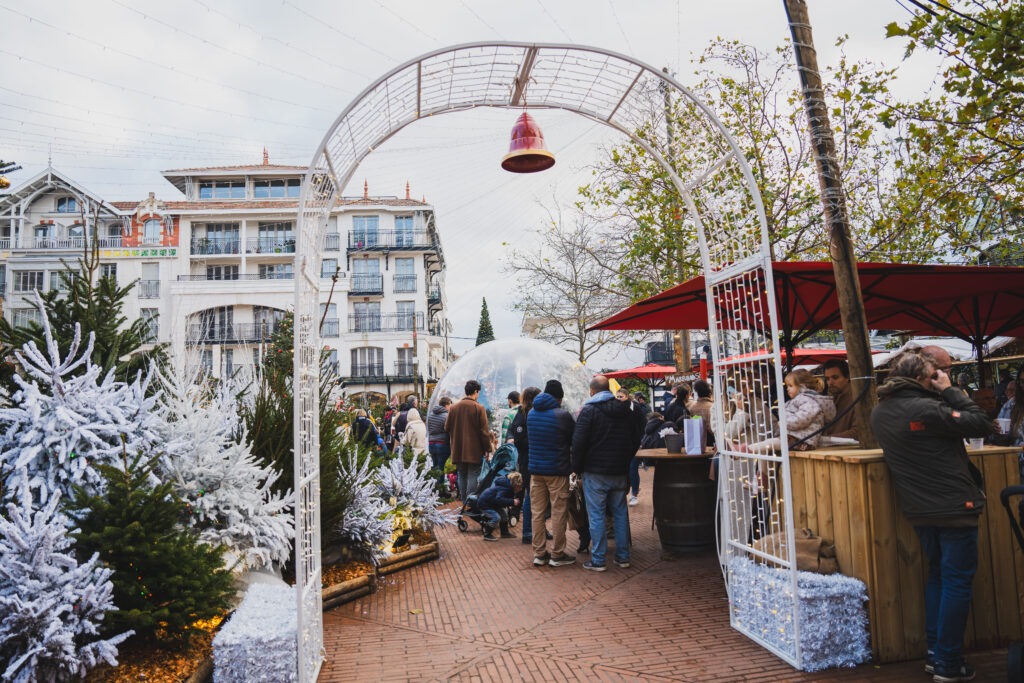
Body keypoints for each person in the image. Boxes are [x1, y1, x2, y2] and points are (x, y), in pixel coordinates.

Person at [871, 349, 991, 683]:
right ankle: (948, 664)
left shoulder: (880, 411)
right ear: (925, 377)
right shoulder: (928, 407)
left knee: (938, 576)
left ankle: (936, 654)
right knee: (956, 581)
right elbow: (982, 423)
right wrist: (949, 389)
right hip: (954, 506)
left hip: (919, 508)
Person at [572, 375, 644, 571]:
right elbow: (636, 437)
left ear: (592, 391)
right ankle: (623, 557)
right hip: (619, 470)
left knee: (596, 515)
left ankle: (598, 559)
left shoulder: (589, 411)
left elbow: (578, 443)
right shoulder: (625, 411)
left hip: (595, 471)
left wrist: (576, 468)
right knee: (620, 513)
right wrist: (626, 458)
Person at [527, 379, 577, 567]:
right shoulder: (562, 415)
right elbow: (573, 439)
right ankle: (557, 554)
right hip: (557, 469)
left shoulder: (531, 413)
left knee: (537, 513)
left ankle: (539, 553)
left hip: (536, 470)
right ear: (559, 397)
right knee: (558, 512)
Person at [749, 369, 835, 453]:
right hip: (796, 437)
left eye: (790, 386)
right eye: (787, 386)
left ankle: (749, 449)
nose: (787, 389)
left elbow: (802, 419)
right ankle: (751, 450)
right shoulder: (801, 399)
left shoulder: (807, 400)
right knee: (770, 445)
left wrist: (784, 422)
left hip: (802, 440)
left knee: (771, 444)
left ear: (801, 387)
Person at [445, 380, 492, 501]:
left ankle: (464, 499)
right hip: (474, 450)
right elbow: (484, 432)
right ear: (476, 392)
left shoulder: (453, 408)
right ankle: (469, 502)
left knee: (461, 474)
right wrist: (488, 449)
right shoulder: (479, 408)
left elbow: (447, 427)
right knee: (473, 474)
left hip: (458, 448)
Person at [509, 386, 541, 544]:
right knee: (530, 495)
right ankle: (528, 532)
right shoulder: (522, 414)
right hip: (528, 460)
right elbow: (519, 437)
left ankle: (540, 529)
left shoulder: (529, 413)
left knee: (538, 497)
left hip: (531, 459)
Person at [477, 471, 523, 541]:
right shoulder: (506, 488)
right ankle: (487, 534)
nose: (520, 489)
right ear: (515, 485)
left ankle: (504, 533)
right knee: (496, 518)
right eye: (519, 487)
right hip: (485, 504)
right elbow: (499, 499)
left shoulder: (507, 486)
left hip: (492, 503)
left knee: (504, 515)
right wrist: (512, 501)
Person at [822, 359, 859, 440]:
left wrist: (827, 438)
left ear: (848, 377)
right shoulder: (831, 399)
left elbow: (859, 432)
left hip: (850, 450)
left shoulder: (858, 399)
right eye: (827, 379)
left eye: (835, 377)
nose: (830, 382)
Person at [427, 397, 453, 487]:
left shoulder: (430, 415)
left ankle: (432, 486)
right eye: (450, 405)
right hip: (442, 444)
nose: (450, 407)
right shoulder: (447, 416)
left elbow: (429, 428)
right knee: (441, 466)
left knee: (435, 465)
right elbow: (449, 430)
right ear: (446, 405)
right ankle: (440, 487)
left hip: (431, 443)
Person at [997, 366, 1024, 452]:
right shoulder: (1011, 404)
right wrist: (996, 430)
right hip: (1016, 460)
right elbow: (1001, 438)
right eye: (1023, 381)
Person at [689, 379, 715, 449]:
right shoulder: (713, 407)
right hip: (712, 439)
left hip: (697, 440)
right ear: (709, 394)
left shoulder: (692, 408)